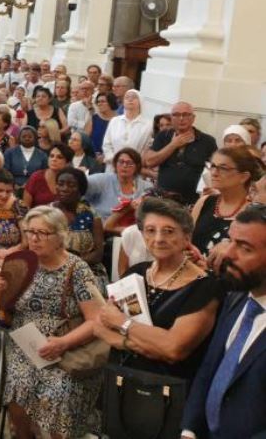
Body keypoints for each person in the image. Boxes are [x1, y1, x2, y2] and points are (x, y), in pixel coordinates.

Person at [0, 206, 104, 439]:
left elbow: (96, 320)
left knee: (58, 391)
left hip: (64, 348)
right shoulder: (20, 262)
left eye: (42, 233)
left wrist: (62, 343)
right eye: (30, 231)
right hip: (25, 345)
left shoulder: (77, 269)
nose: (34, 238)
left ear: (60, 236)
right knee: (18, 388)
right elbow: (2, 306)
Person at [95, 198, 222, 387]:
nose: (159, 239)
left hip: (168, 396)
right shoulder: (136, 272)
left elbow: (173, 349)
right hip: (122, 383)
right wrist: (134, 344)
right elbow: (100, 325)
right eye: (150, 230)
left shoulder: (205, 286)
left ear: (187, 237)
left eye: (169, 231)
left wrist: (121, 323)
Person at [180, 204, 266, 439]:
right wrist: (190, 430)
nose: (228, 254)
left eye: (245, 248)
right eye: (231, 241)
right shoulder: (235, 298)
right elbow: (210, 369)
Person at [144, 101, 217, 205]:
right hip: (164, 199)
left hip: (193, 201)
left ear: (193, 118)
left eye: (186, 115)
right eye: (177, 115)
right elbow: (149, 161)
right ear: (172, 118)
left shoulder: (207, 141)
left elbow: (216, 168)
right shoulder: (163, 136)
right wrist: (173, 145)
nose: (181, 118)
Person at [191, 147, 260, 256]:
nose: (214, 173)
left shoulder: (254, 213)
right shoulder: (204, 202)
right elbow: (187, 242)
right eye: (212, 166)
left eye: (223, 168)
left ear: (243, 177)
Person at [53, 167, 107, 287]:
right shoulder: (47, 213)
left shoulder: (92, 214)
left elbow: (98, 253)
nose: (64, 189)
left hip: (86, 269)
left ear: (80, 190)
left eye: (71, 185)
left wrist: (73, 266)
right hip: (52, 268)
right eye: (60, 184)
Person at [84, 148, 152, 222]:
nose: (124, 165)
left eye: (130, 163)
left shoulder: (147, 187)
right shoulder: (102, 180)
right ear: (115, 164)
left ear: (137, 166)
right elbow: (80, 184)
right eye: (121, 162)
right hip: (103, 230)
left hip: (135, 230)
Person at [102, 89, 153, 171]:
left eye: (134, 97)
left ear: (140, 101)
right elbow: (107, 144)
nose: (130, 99)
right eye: (127, 97)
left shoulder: (148, 125)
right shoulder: (115, 121)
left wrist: (133, 163)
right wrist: (115, 161)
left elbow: (147, 147)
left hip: (134, 168)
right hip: (113, 166)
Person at [23, 143, 73, 208]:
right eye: (51, 156)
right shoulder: (36, 177)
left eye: (59, 157)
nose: (54, 159)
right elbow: (25, 207)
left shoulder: (71, 180)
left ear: (67, 163)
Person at [90, 92, 117, 158]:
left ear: (111, 102)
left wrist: (105, 156)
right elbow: (85, 139)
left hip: (112, 157)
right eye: (98, 102)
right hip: (93, 156)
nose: (99, 104)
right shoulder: (94, 118)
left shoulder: (119, 120)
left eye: (103, 101)